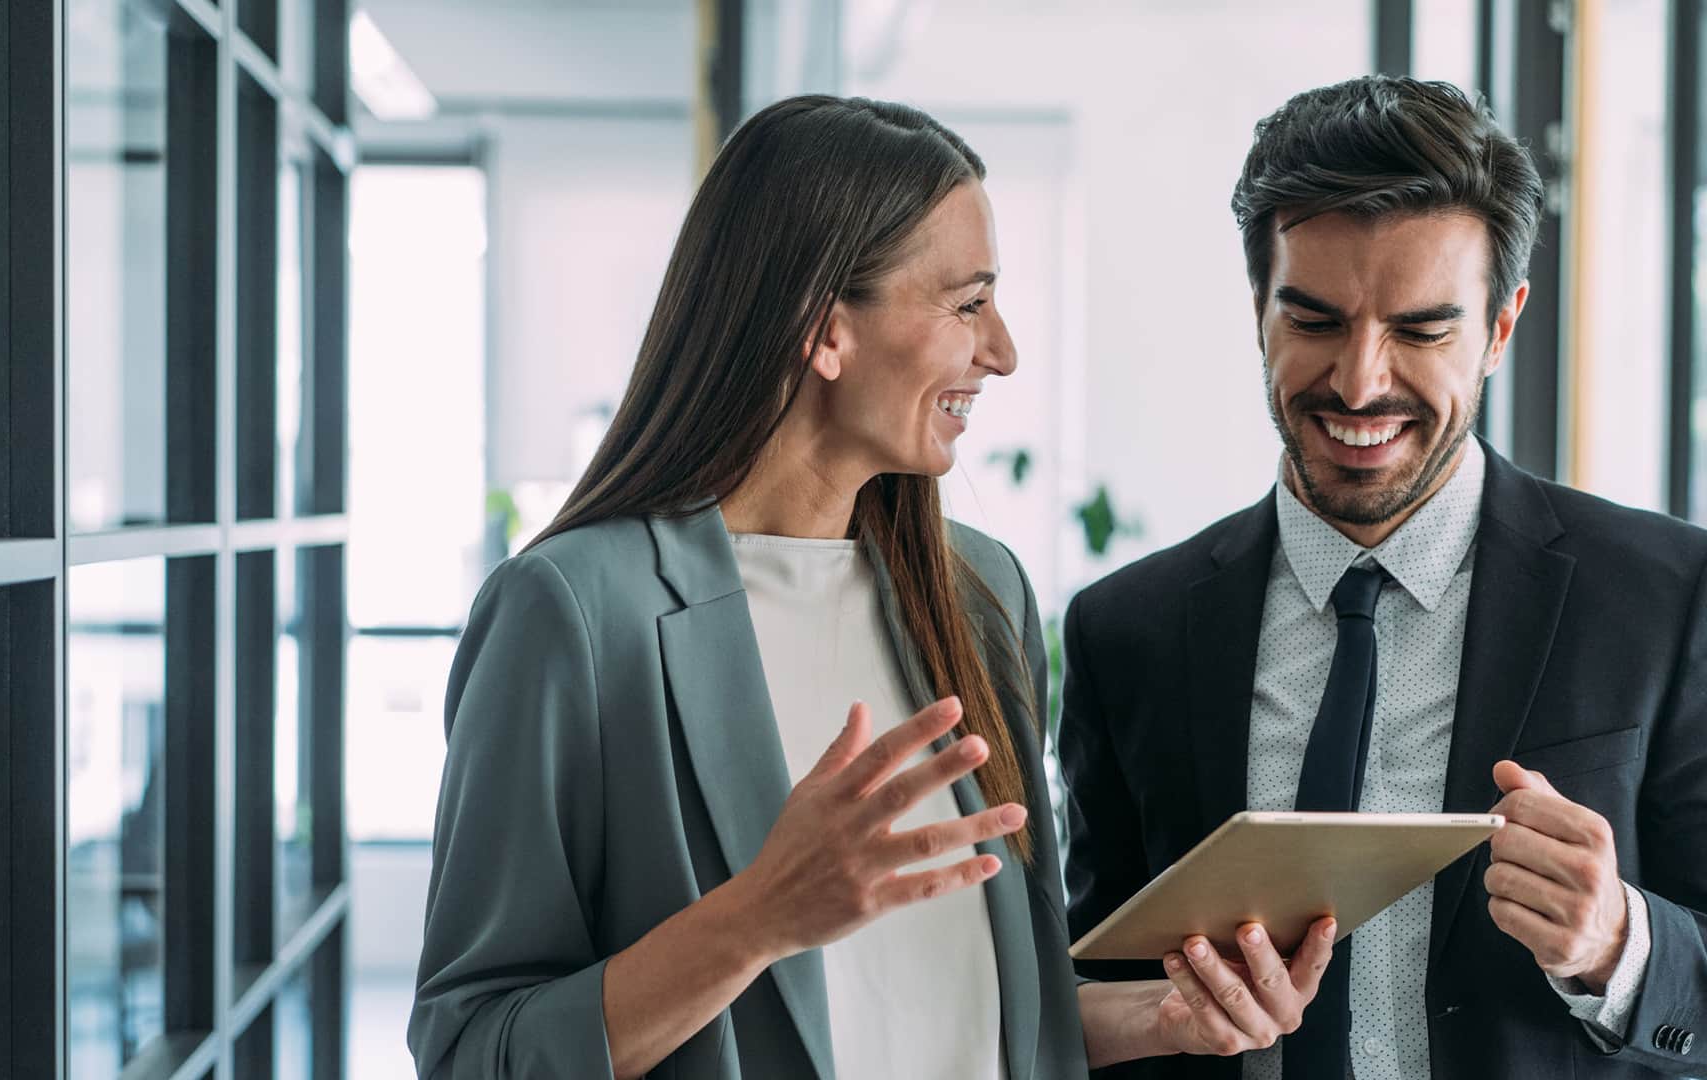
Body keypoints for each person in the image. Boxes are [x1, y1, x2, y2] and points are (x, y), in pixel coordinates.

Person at [406, 95, 1333, 1080]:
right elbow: (474, 1050)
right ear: (825, 328)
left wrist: (1162, 1015)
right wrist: (757, 919)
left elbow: (969, 1006)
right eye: (969, 303)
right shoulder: (573, 613)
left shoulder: (981, 594)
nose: (1004, 351)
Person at [1059, 75, 1707, 1079]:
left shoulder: (1668, 597)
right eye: (1314, 320)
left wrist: (1621, 946)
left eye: (1419, 329)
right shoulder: (1127, 631)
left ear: (1500, 328)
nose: (1360, 382)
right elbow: (1088, 995)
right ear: (1259, 309)